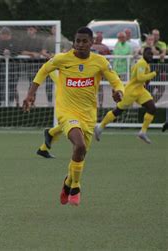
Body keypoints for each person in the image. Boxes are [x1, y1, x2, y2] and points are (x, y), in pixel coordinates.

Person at [23, 27, 124, 206]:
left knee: (80, 153)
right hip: (66, 112)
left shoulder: (100, 62)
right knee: (79, 145)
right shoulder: (63, 59)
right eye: (77, 41)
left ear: (92, 43)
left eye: (85, 41)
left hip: (88, 115)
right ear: (74, 42)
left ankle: (68, 182)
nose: (80, 44)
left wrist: (119, 92)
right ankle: (76, 186)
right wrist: (31, 94)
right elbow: (43, 70)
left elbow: (116, 81)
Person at [95, 47, 157, 144]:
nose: (150, 56)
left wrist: (147, 80)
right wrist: (153, 74)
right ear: (144, 54)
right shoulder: (141, 63)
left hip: (140, 90)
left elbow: (139, 76)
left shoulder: (146, 64)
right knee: (118, 111)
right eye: (148, 54)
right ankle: (100, 127)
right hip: (131, 91)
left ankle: (143, 132)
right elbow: (140, 77)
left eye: (151, 55)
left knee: (152, 108)